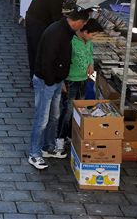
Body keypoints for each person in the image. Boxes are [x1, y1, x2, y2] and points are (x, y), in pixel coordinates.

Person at [28, 10, 90, 170]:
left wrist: (60, 79)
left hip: (54, 81)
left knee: (54, 116)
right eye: (83, 24)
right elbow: (48, 59)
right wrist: (51, 81)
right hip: (46, 82)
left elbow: (60, 59)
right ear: (77, 22)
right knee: (42, 118)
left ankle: (48, 147)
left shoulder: (65, 30)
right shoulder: (57, 32)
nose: (82, 27)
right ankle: (34, 154)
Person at [56, 18, 103, 148]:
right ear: (85, 31)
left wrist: (91, 64)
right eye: (92, 35)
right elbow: (62, 60)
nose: (93, 38)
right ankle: (59, 139)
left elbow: (90, 54)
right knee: (67, 111)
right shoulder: (71, 41)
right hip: (71, 80)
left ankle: (72, 135)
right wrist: (61, 81)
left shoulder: (88, 42)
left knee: (79, 109)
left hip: (83, 79)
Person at [25, 0, 70, 81]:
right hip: (37, 23)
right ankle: (38, 77)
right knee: (38, 49)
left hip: (32, 19)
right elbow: (56, 17)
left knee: (33, 49)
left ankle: (33, 75)